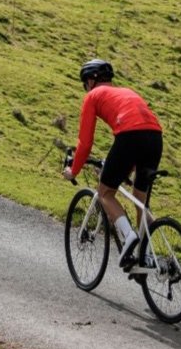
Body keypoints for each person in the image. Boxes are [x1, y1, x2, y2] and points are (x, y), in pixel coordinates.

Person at [63, 58, 163, 274]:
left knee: (105, 193)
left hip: (130, 136)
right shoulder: (126, 92)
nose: (85, 88)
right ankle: (146, 256)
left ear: (91, 81)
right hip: (155, 138)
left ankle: (129, 237)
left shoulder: (93, 96)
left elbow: (85, 143)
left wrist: (74, 171)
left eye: (85, 83)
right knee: (140, 201)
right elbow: (141, 129)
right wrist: (125, 170)